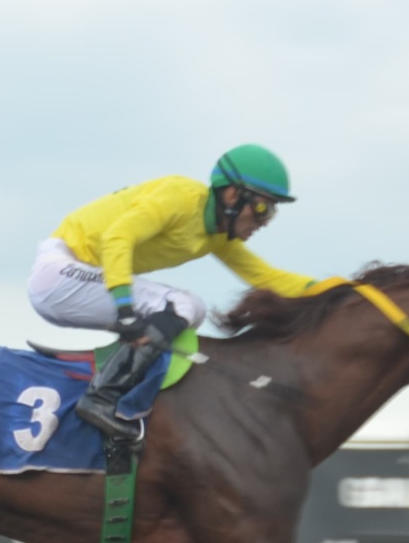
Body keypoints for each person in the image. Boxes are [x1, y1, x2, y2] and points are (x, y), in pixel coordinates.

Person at [27, 145, 319, 439]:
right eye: (262, 208)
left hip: (79, 281)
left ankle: (114, 380)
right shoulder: (181, 198)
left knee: (191, 310)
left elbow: (266, 277)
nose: (264, 222)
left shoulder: (217, 237)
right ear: (233, 194)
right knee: (183, 304)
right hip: (62, 274)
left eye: (271, 213)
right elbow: (117, 237)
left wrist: (336, 290)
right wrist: (125, 309)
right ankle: (101, 397)